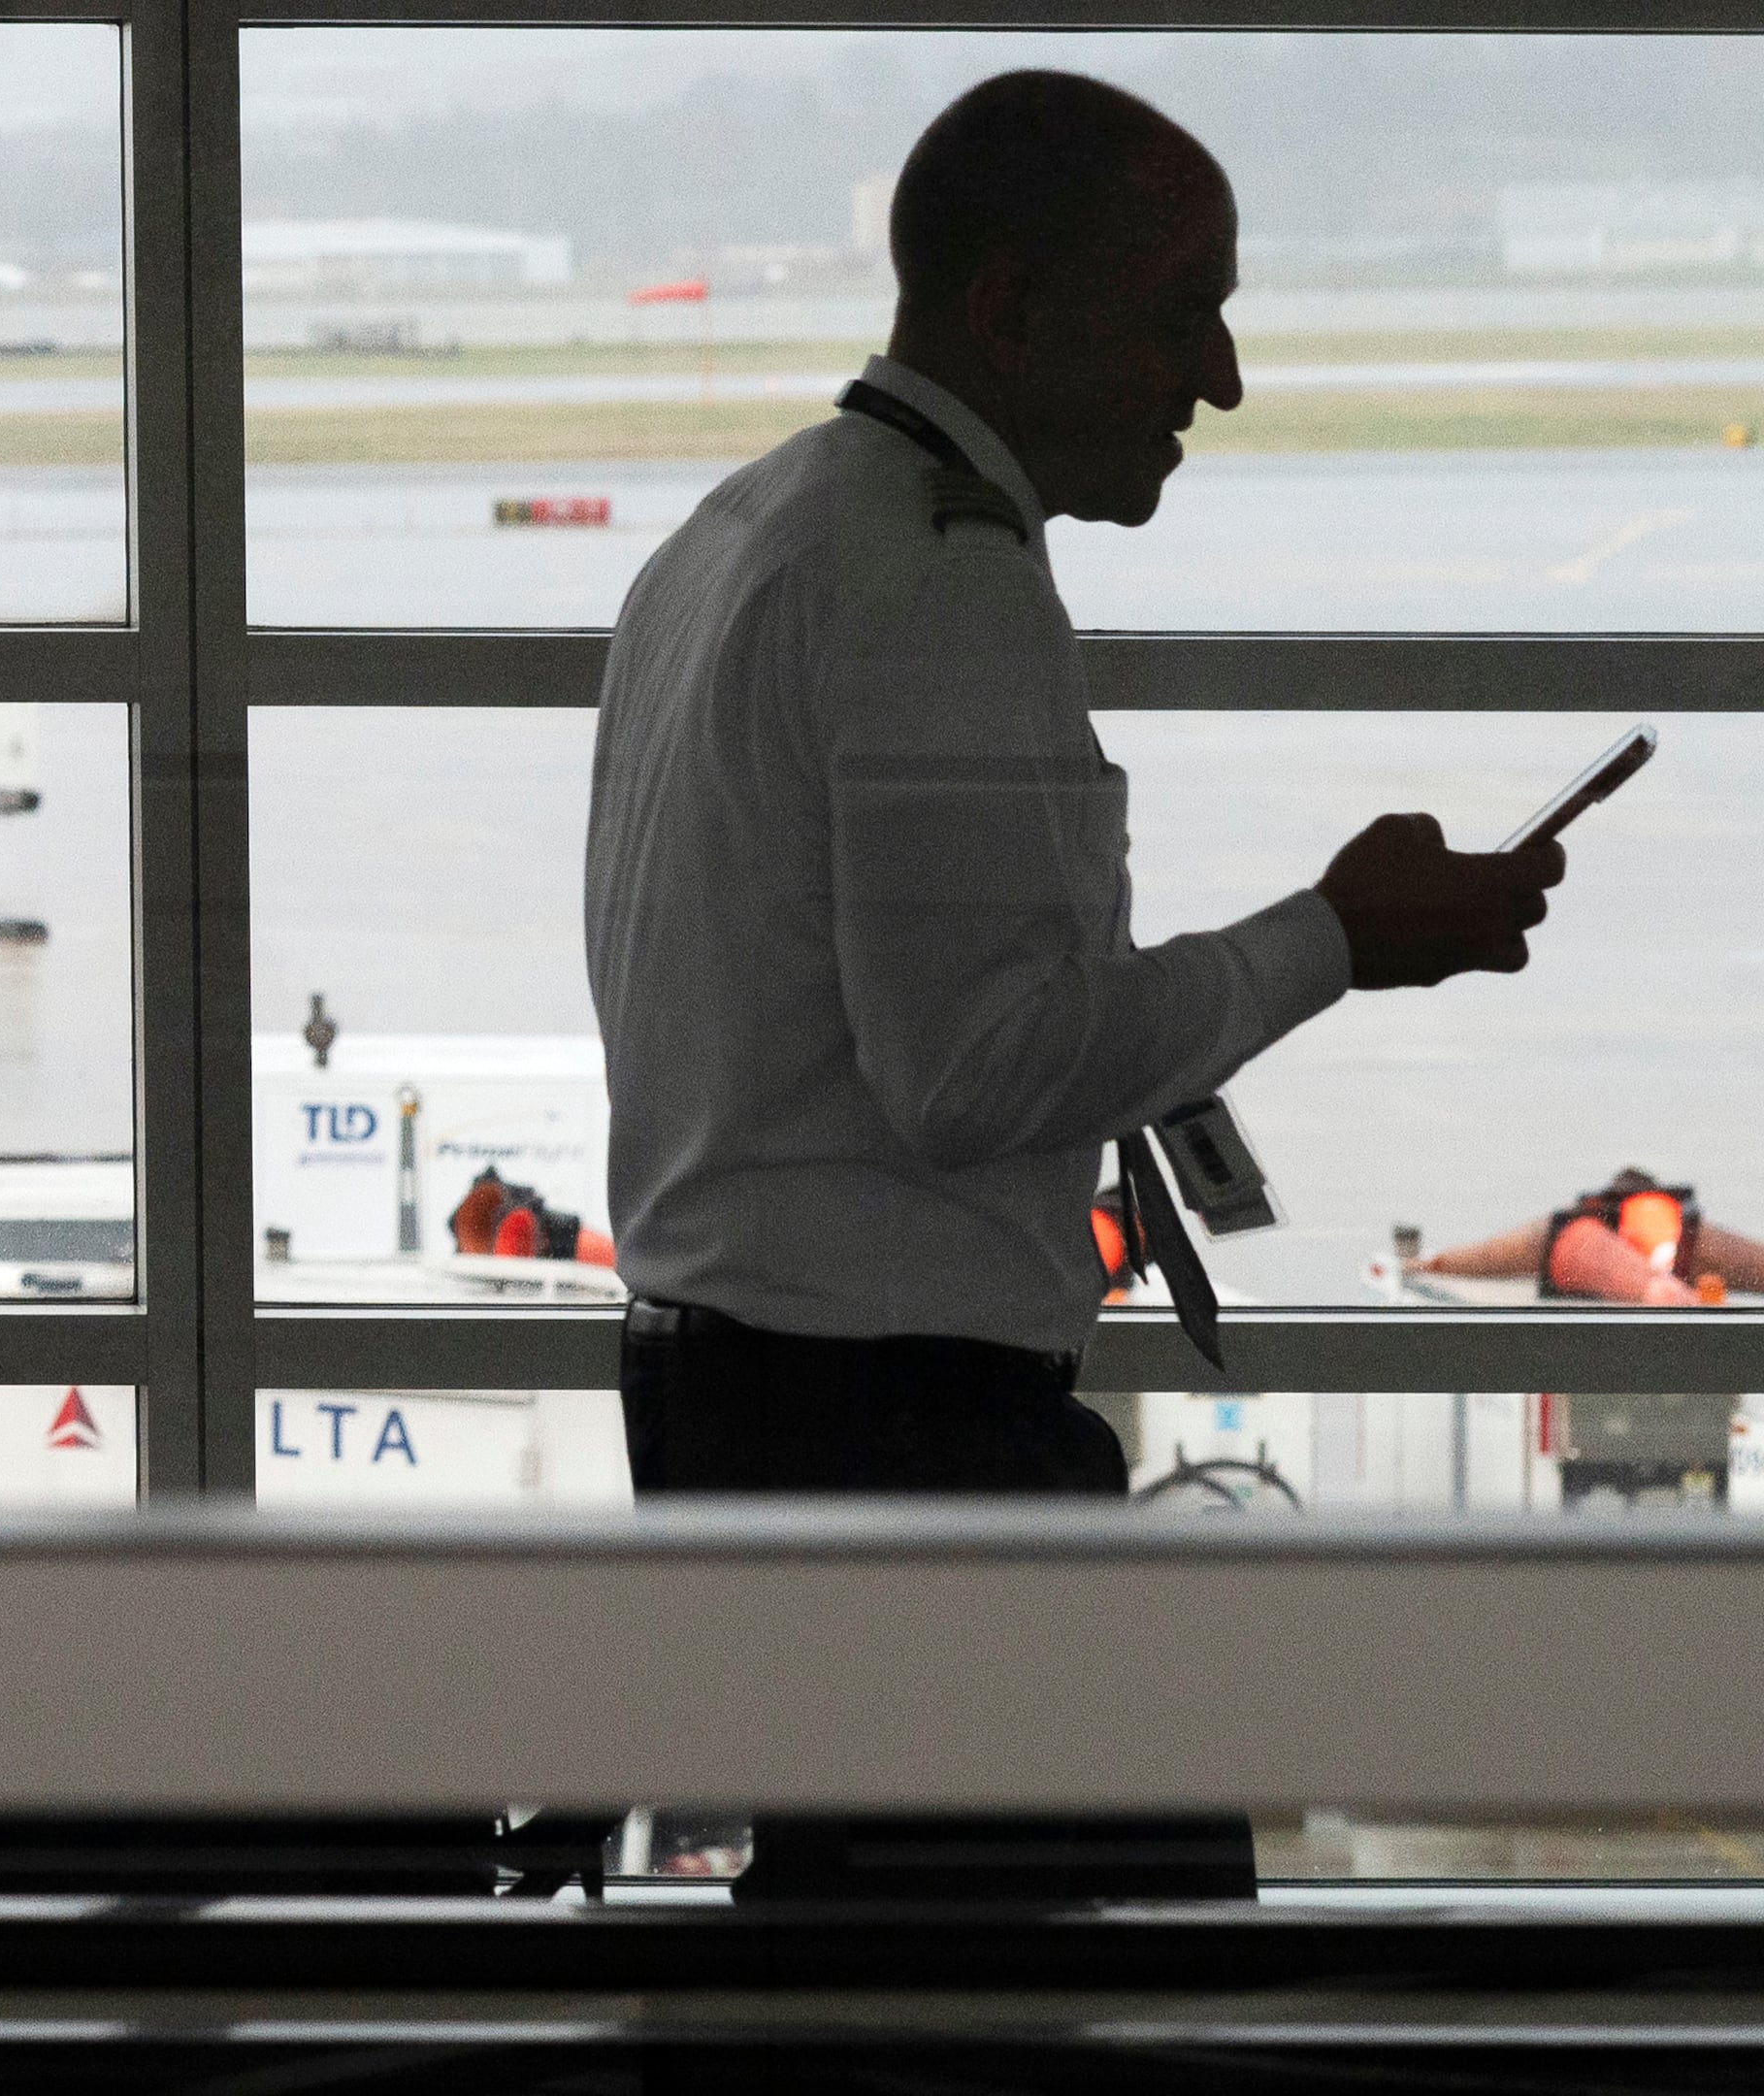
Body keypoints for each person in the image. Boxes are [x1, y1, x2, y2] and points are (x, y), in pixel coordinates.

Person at [581, 73, 1564, 1901]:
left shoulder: (743, 535)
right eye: (1186, 303)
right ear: (1013, 310)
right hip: (895, 1435)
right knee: (1113, 1946)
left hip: (748, 1402)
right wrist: (1340, 937)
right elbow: (977, 1074)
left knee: (891, 1956)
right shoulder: (936, 584)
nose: (1221, 375)